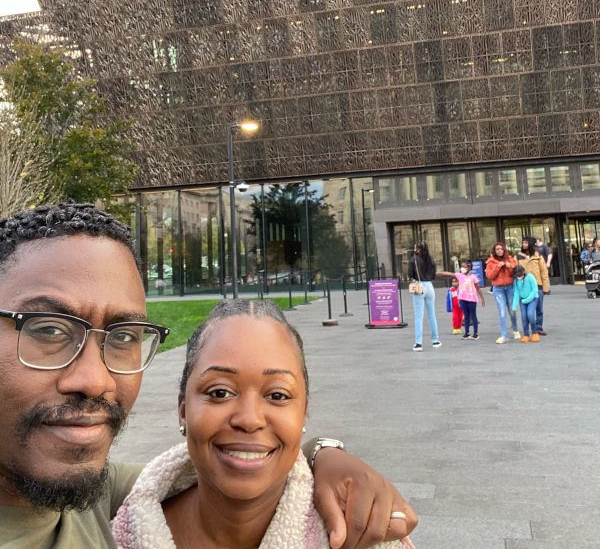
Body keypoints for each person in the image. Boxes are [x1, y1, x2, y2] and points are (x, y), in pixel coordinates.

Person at [0, 202, 417, 548]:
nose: (95, 380)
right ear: (182, 407)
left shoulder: (98, 495)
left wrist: (324, 452)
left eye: (124, 335)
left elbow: (221, 473)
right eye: (48, 329)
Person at [112, 300, 416, 549]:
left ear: (304, 413)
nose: (249, 419)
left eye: (278, 395)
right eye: (220, 392)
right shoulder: (113, 532)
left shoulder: (361, 534)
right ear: (183, 410)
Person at [438, 260, 485, 340]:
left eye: (464, 267)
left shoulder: (473, 277)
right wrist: (439, 273)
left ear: (469, 268)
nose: (462, 268)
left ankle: (475, 333)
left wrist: (482, 298)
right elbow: (449, 274)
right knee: (466, 316)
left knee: (473, 316)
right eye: (461, 266)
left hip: (472, 299)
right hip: (462, 299)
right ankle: (467, 333)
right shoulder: (459, 275)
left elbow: (478, 288)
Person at [407, 242, 441, 352]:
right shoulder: (430, 259)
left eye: (415, 247)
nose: (414, 248)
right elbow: (433, 274)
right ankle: (435, 340)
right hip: (429, 286)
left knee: (418, 316)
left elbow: (410, 274)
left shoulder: (414, 259)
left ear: (418, 249)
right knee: (432, 315)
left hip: (419, 286)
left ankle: (418, 343)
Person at [485, 243, 520, 344]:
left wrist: (508, 265)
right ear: (494, 251)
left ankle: (515, 329)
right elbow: (490, 276)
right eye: (497, 249)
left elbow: (516, 269)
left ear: (504, 250)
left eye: (501, 249)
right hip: (498, 289)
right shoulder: (491, 262)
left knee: (512, 310)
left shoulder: (509, 259)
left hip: (510, 288)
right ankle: (504, 335)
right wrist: (498, 267)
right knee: (502, 312)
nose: (499, 250)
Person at [516, 237, 549, 337]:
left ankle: (539, 327)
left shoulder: (538, 256)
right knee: (526, 311)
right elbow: (514, 271)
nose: (524, 244)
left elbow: (544, 271)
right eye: (523, 243)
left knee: (539, 309)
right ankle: (529, 329)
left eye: (526, 243)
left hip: (538, 286)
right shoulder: (518, 256)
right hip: (524, 287)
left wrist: (545, 287)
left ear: (530, 244)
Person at [511, 264, 539, 343]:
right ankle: (526, 335)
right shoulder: (516, 281)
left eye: (520, 275)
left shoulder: (530, 277)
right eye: (517, 275)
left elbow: (534, 290)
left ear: (523, 272)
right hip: (523, 300)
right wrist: (514, 306)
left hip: (533, 299)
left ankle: (535, 332)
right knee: (524, 317)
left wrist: (526, 300)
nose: (519, 277)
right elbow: (516, 293)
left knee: (530, 314)